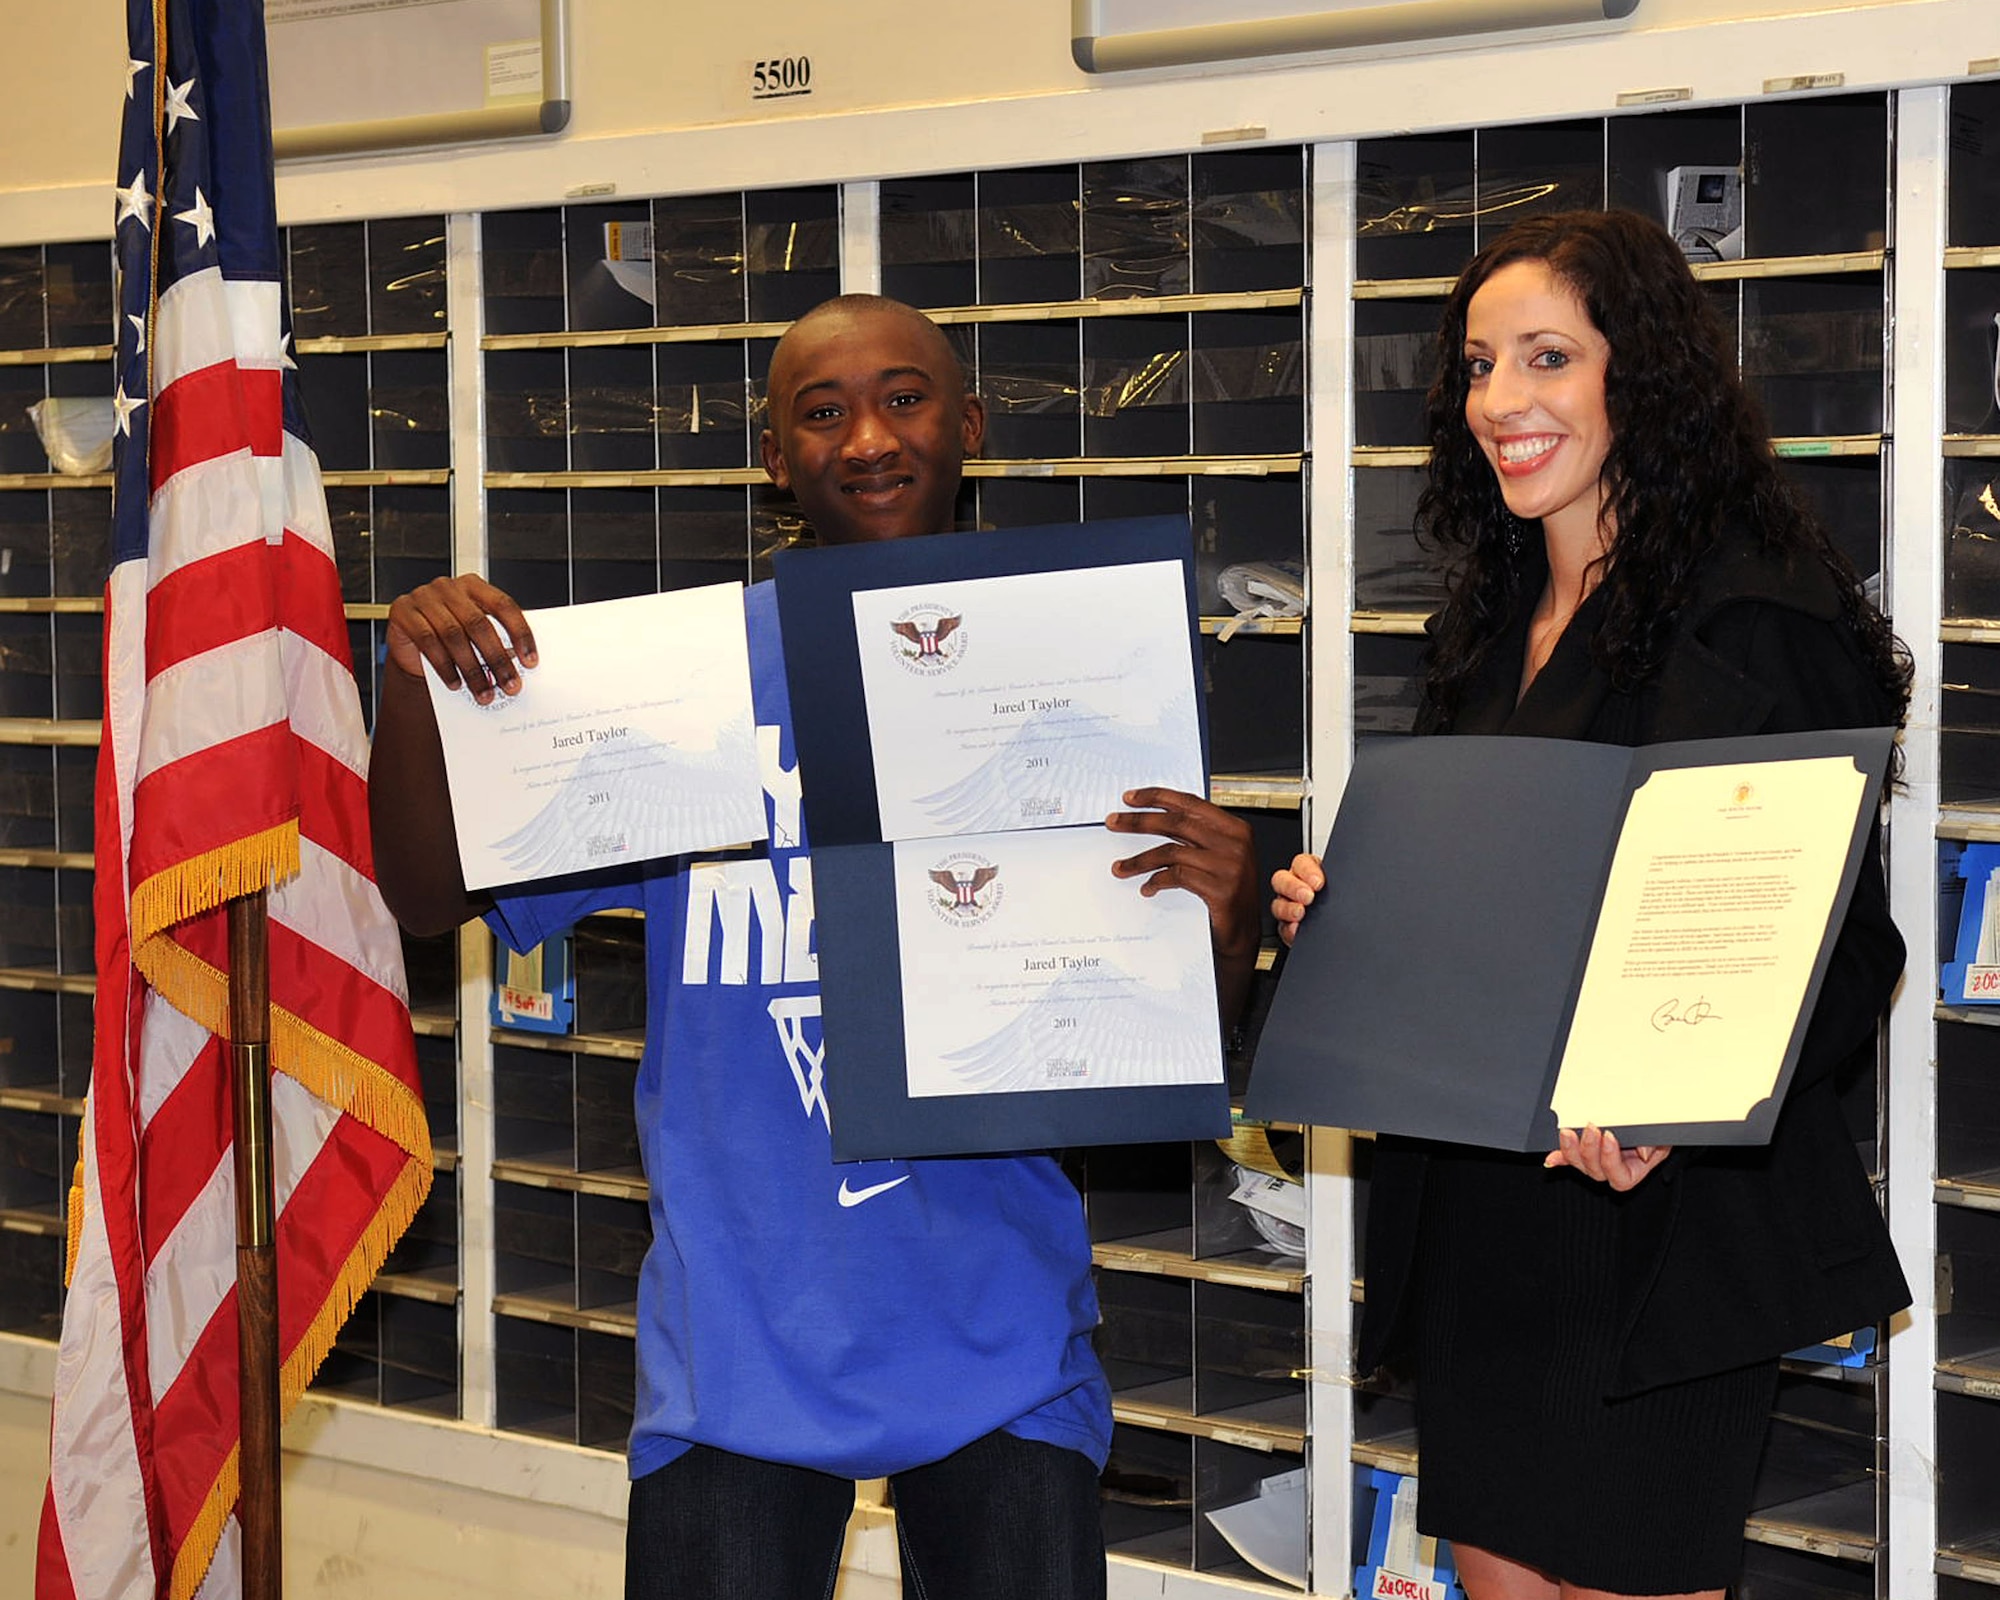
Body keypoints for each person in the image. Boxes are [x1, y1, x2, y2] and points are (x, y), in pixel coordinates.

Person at [368, 293, 1262, 1600]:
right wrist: (410, 684)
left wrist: (1225, 925)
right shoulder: (683, 681)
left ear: (969, 425)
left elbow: (1161, 1040)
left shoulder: (1067, 670)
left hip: (999, 1341)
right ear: (775, 458)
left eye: (903, 399)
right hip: (739, 1344)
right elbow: (421, 895)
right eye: (821, 412)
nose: (868, 439)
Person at [1270, 211, 1911, 1600]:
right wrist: (1346, 924)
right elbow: (1485, 925)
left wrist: (1672, 1117)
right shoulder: (1484, 635)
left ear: (1647, 374)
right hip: (1491, 1228)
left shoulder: (1757, 627)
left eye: (1547, 357)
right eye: (1480, 366)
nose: (1503, 401)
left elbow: (1845, 954)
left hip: (1659, 1242)